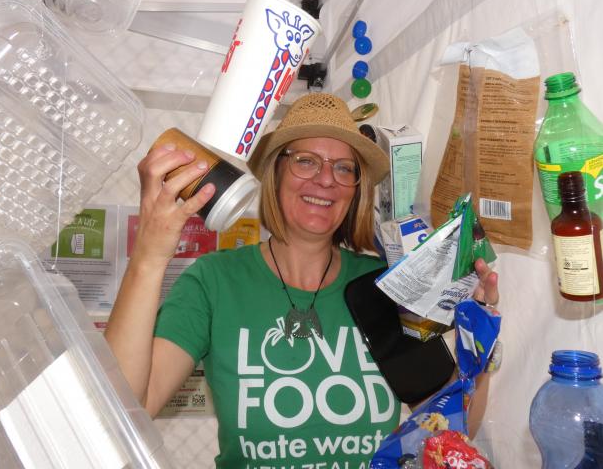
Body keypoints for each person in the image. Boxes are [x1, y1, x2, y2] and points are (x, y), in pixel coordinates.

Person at [105, 93, 499, 467]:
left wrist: (475, 333)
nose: (327, 179)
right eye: (306, 161)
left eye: (344, 168)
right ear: (275, 172)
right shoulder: (214, 282)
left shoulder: (382, 287)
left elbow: (445, 432)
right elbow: (125, 410)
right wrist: (149, 256)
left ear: (355, 191)